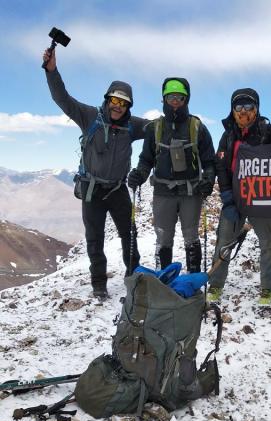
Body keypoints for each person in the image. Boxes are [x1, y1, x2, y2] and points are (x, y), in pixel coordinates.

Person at [43, 49, 147, 300]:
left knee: (129, 234)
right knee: (94, 239)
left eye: (123, 103)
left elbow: (160, 128)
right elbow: (62, 99)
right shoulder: (89, 116)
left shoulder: (133, 126)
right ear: (107, 99)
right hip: (91, 188)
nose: (118, 106)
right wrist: (51, 71)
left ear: (128, 106)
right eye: (114, 100)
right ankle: (99, 284)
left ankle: (133, 278)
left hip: (118, 189)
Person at [128, 78, 216, 273]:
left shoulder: (197, 127)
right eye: (170, 97)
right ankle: (164, 281)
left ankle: (192, 280)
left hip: (191, 191)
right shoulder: (155, 128)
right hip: (162, 191)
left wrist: (209, 180)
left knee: (191, 237)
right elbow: (146, 160)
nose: (175, 101)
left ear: (186, 99)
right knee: (163, 238)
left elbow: (209, 161)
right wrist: (139, 175)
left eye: (179, 97)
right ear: (164, 99)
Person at [207, 88, 271, 307]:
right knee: (223, 240)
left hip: (261, 198)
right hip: (234, 198)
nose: (243, 111)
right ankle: (215, 284)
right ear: (232, 109)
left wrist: (270, 190)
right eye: (238, 107)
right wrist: (227, 193)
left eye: (249, 106)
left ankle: (269, 287)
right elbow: (220, 165)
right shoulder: (228, 134)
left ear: (256, 108)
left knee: (267, 243)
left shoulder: (267, 132)